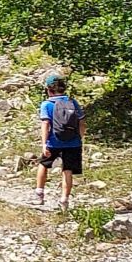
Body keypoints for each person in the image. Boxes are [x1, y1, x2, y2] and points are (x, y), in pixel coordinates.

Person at [33, 75, 87, 209]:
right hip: (73, 143)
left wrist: (44, 143)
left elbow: (45, 123)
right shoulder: (72, 102)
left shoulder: (46, 104)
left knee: (43, 164)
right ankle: (64, 200)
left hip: (53, 142)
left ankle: (39, 195)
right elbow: (82, 122)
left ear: (48, 90)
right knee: (67, 170)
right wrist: (79, 138)